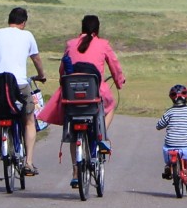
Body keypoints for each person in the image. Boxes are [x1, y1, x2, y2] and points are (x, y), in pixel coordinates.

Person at [37, 14, 125, 165]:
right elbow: (115, 66)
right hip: (94, 93)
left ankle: (76, 172)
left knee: (74, 130)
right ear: (97, 30)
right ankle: (101, 136)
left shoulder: (71, 44)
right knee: (110, 108)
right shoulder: (103, 44)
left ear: (82, 28)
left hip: (71, 94)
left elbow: (62, 69)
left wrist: (63, 83)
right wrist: (119, 82)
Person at [0, 7, 47, 175]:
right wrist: (42, 75)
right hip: (19, 84)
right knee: (29, 121)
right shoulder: (27, 35)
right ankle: (29, 163)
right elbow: (36, 58)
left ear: (9, 20)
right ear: (23, 23)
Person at [156, 84, 187, 181]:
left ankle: (169, 166)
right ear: (186, 97)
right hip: (185, 144)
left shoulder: (169, 112)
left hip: (170, 145)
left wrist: (161, 126)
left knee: (167, 148)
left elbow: (159, 125)